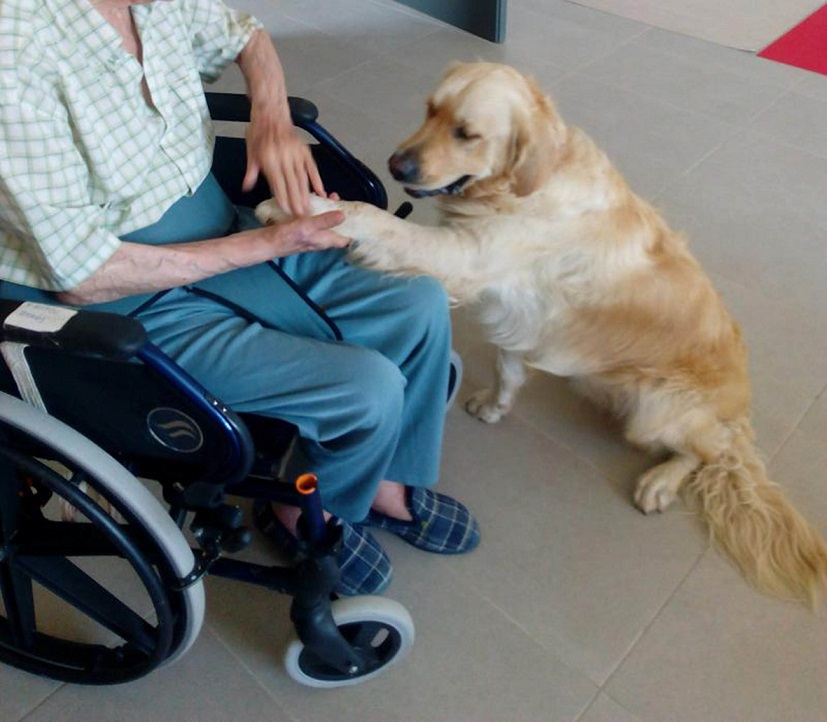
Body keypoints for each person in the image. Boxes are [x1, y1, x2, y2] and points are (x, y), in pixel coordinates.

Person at [0, 0, 479, 595]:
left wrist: (271, 116)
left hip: (216, 224)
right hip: (118, 300)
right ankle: (300, 513)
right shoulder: (14, 46)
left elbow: (243, 34)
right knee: (368, 389)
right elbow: (84, 275)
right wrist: (270, 244)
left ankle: (385, 484)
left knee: (418, 301)